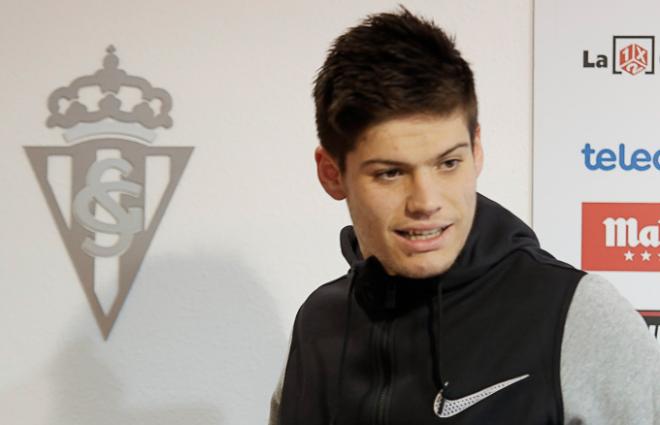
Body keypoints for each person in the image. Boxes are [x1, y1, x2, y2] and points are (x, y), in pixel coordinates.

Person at [270, 7, 660, 425]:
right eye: (390, 172)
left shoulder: (574, 316)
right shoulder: (319, 324)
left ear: (476, 149)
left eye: (448, 163)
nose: (426, 200)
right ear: (332, 174)